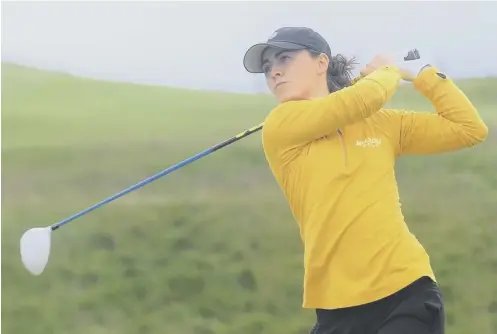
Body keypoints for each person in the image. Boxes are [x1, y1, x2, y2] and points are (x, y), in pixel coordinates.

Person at [242, 27, 489, 334]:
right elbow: (363, 98)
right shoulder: (281, 124)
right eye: (267, 68)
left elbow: (468, 128)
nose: (274, 71)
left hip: (405, 291)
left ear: (321, 63)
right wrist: (389, 70)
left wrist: (423, 73)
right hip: (336, 310)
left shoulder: (380, 124)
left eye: (285, 58)